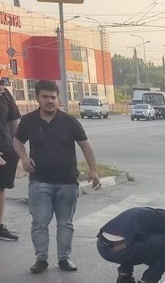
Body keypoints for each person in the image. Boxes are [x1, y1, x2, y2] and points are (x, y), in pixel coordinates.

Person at [12, 79, 100, 273]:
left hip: (67, 182)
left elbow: (85, 145)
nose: (50, 101)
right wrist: (24, 158)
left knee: (65, 223)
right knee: (39, 223)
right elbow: (17, 141)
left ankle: (64, 258)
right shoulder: (28, 121)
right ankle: (41, 258)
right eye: (45, 97)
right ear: (37, 98)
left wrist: (93, 170)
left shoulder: (69, 121)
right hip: (39, 182)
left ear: (58, 98)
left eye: (53, 97)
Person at [0, 77, 21, 241]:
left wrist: (17, 147)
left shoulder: (5, 94)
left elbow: (14, 120)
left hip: (5, 149)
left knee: (0, 188)